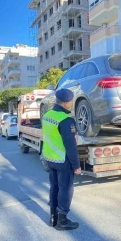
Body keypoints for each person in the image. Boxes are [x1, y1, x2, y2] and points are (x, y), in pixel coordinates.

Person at [42, 88, 81, 231]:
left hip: (50, 158)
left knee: (54, 187)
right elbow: (71, 146)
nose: (71, 103)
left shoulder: (47, 115)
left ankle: (53, 218)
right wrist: (76, 165)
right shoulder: (66, 120)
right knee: (65, 189)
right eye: (71, 101)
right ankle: (62, 220)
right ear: (66, 103)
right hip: (62, 160)